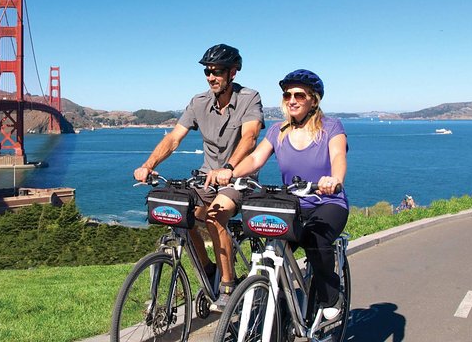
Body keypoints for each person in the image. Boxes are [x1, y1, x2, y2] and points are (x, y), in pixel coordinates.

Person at [134, 43, 264, 309]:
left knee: (215, 216)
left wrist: (229, 168)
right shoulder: (199, 102)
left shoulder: (250, 98)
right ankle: (207, 269)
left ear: (233, 73)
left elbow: (250, 138)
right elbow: (173, 139)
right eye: (207, 71)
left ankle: (228, 286)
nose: (211, 77)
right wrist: (148, 164)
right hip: (206, 178)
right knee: (179, 213)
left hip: (238, 179)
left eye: (217, 72)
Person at [212, 69, 348, 320]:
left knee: (315, 240)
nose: (292, 100)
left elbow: (338, 155)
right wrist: (230, 173)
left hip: (327, 201)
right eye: (287, 95)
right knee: (272, 250)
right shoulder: (278, 130)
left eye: (299, 95)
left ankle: (331, 296)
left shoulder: (331, 127)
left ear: (313, 99)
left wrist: (334, 180)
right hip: (292, 205)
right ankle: (281, 311)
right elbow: (255, 158)